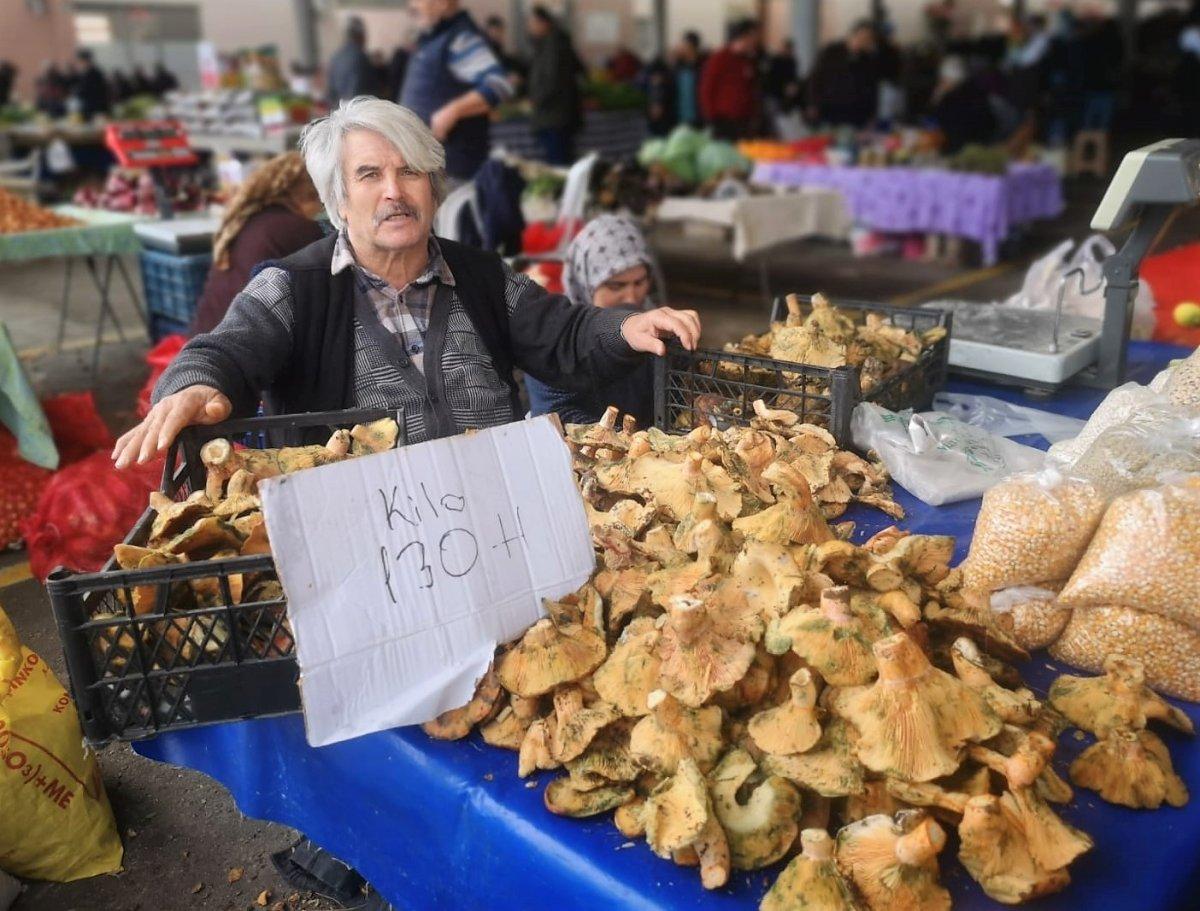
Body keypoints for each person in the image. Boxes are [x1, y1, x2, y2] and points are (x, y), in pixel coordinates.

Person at [112, 96, 700, 470]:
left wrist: (626, 324)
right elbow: (225, 351)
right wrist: (192, 385)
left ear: (432, 190)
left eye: (411, 171)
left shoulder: (481, 277)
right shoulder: (296, 288)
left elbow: (565, 334)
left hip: (490, 523)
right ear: (339, 202)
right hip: (361, 547)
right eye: (370, 175)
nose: (394, 190)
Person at [526, 215, 660, 427]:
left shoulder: (656, 327)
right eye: (616, 286)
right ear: (585, 280)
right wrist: (630, 443)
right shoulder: (556, 337)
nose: (632, 297)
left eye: (640, 282)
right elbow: (555, 417)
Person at [191, 152, 326, 335]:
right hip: (247, 348)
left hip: (206, 342)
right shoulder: (298, 229)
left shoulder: (246, 221)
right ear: (311, 195)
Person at [401, 0, 513, 181]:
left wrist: (452, 111)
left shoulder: (460, 39)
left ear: (443, 3)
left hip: (451, 171)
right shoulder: (434, 37)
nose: (411, 6)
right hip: (428, 167)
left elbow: (499, 85)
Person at [526, 5, 583, 165]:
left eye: (532, 23)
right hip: (554, 116)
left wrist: (535, 100)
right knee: (559, 162)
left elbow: (552, 81)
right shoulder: (547, 43)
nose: (530, 27)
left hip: (555, 117)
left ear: (544, 23)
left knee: (558, 164)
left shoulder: (554, 46)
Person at [806, 20, 881, 128]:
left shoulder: (867, 59)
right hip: (829, 110)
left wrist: (871, 114)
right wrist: (812, 103)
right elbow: (815, 77)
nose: (866, 42)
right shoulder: (831, 51)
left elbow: (871, 88)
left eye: (869, 39)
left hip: (856, 115)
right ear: (853, 35)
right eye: (864, 38)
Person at [699, 19, 760, 140]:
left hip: (744, 121)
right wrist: (711, 117)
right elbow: (706, 89)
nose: (755, 41)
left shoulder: (749, 60)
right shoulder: (719, 58)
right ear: (743, 37)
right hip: (723, 121)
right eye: (753, 37)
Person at [927, 56, 996, 153]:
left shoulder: (955, 98)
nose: (940, 83)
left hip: (964, 146)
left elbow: (940, 124)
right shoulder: (974, 92)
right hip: (974, 143)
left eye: (943, 80)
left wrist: (937, 100)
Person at [327, 16, 374, 106]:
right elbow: (364, 89)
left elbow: (331, 90)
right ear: (360, 36)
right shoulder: (360, 57)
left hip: (338, 108)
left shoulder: (336, 57)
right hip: (356, 109)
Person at [671, 32, 705, 128]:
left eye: (685, 46)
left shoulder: (702, 67)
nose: (682, 48)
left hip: (698, 117)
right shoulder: (677, 66)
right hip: (679, 116)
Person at [483, 15, 526, 85]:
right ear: (489, 31)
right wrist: (507, 77)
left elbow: (506, 61)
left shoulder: (497, 48)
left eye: (501, 31)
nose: (500, 34)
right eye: (497, 31)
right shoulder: (487, 50)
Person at [73, 50, 111, 119]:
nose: (79, 64)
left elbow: (92, 91)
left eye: (80, 61)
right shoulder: (86, 73)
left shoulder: (94, 74)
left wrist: (77, 92)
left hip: (96, 109)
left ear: (85, 61)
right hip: (90, 108)